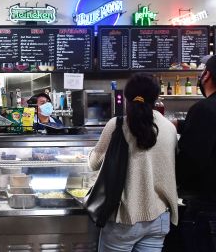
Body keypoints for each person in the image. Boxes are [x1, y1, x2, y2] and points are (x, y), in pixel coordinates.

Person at [88, 73, 178, 252]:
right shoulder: (169, 127)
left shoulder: (117, 124)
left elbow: (93, 163)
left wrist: (91, 153)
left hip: (124, 218)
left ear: (127, 97)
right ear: (156, 96)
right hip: (159, 218)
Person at [175, 55, 216, 252]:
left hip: (207, 207)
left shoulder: (203, 109)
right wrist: (181, 125)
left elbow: (189, 160)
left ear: (206, 75)